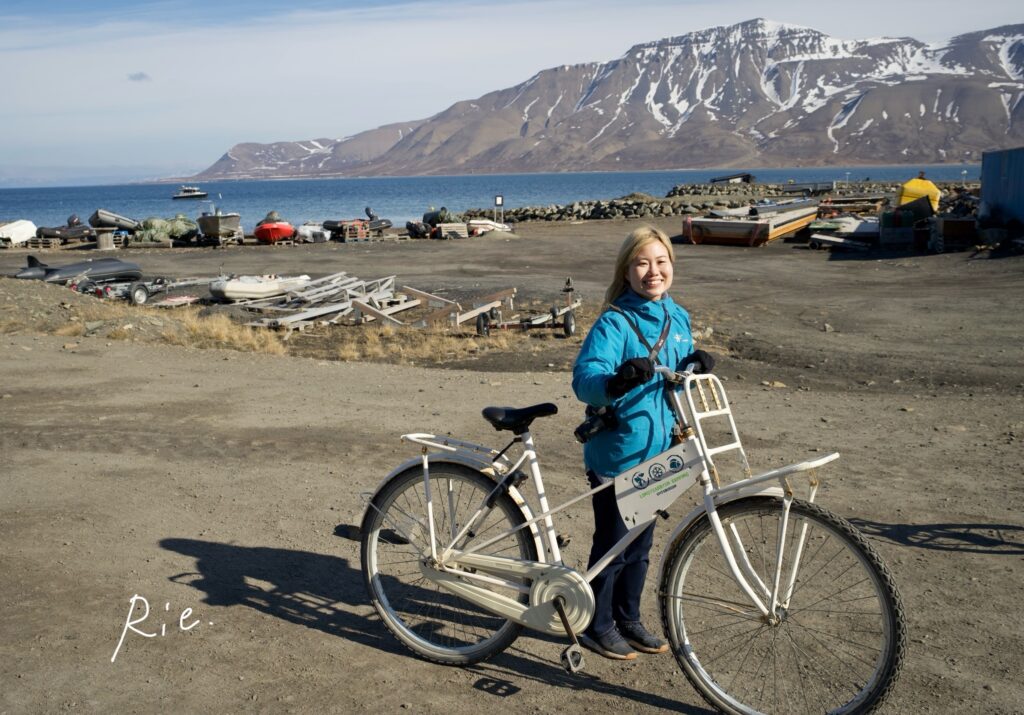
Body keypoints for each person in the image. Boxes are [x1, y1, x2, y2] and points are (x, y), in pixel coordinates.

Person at [571, 225, 714, 661]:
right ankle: (597, 625)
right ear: (627, 271)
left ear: (672, 265)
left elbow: (676, 384)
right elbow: (584, 379)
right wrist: (614, 382)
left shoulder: (678, 317)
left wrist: (694, 367)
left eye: (661, 261)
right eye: (642, 263)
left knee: (641, 546)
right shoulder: (615, 322)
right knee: (613, 544)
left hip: (659, 453)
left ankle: (627, 618)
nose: (653, 271)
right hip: (617, 452)